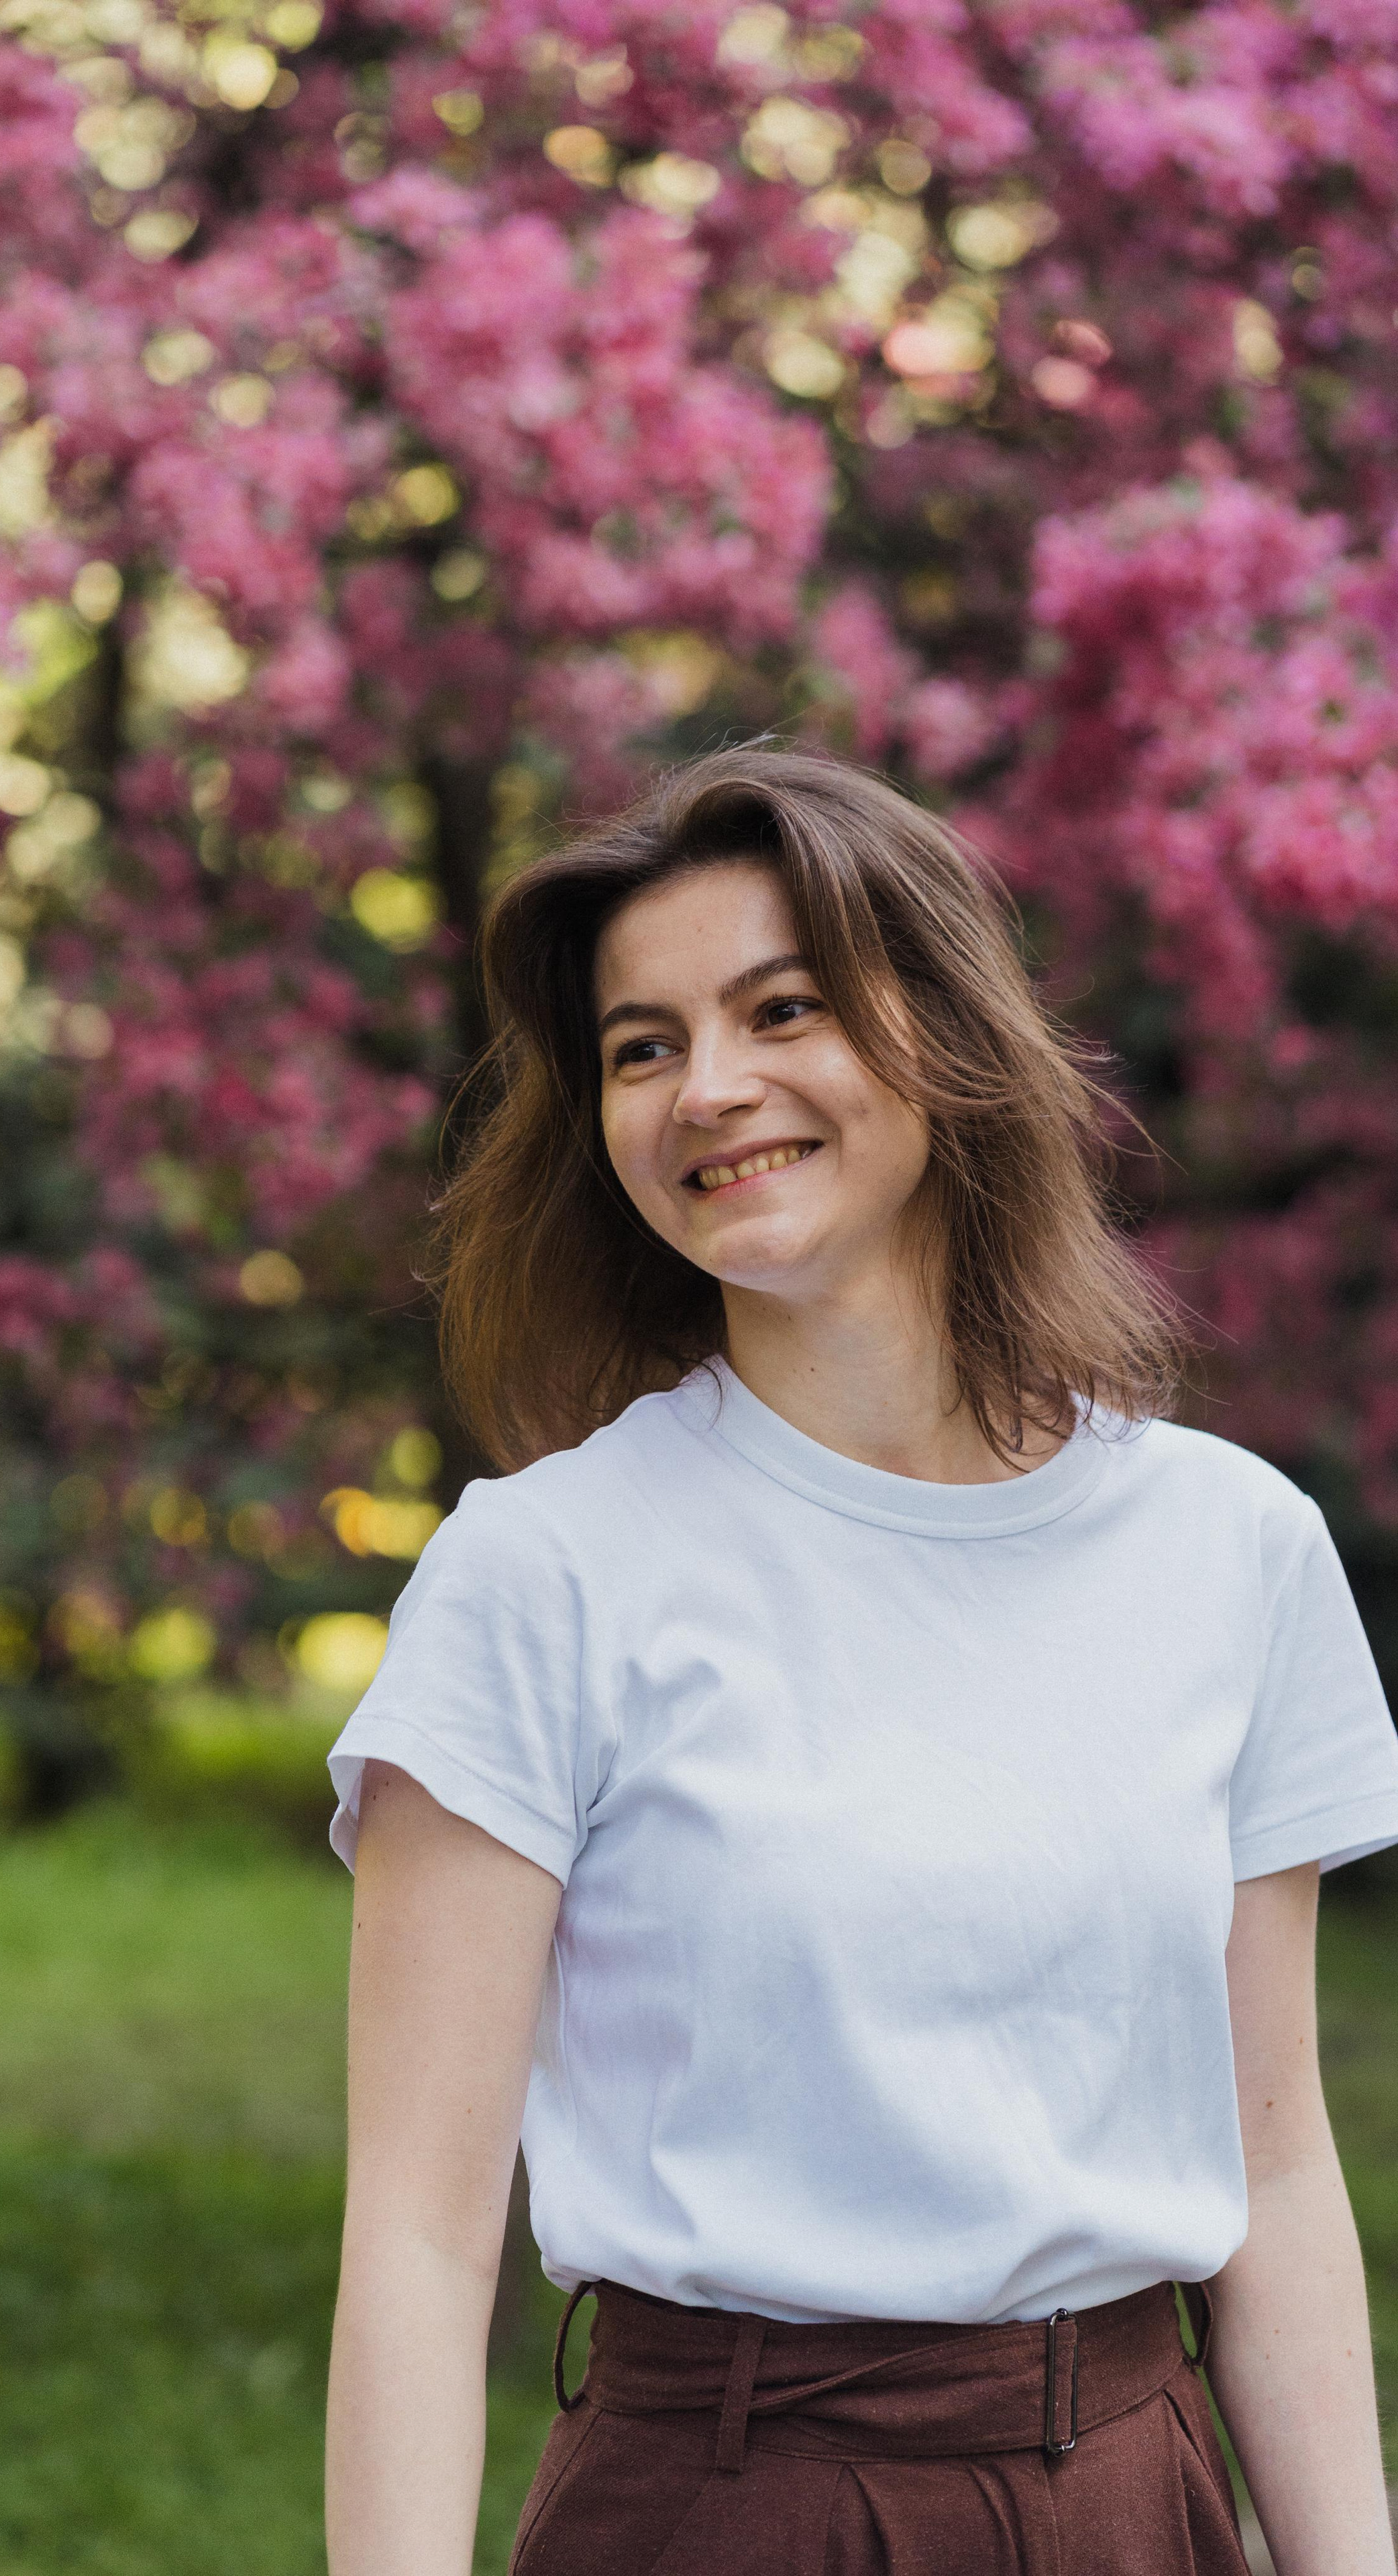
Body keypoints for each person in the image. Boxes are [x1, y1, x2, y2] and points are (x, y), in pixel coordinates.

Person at [320, 746, 1398, 2576]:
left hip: (1138, 2502)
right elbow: (423, 2245)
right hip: (728, 2508)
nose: (708, 1088)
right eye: (643, 1045)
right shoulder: (544, 1573)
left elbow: (1278, 2180)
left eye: (781, 1008)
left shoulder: (1231, 1554)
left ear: (947, 1035)